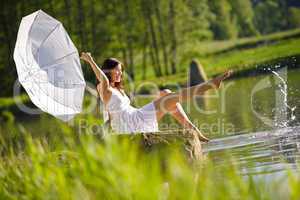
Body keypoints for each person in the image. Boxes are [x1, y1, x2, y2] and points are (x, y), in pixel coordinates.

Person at [80, 52, 232, 142]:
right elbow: (103, 80)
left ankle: (193, 130)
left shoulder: (118, 89)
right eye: (117, 71)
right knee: (168, 98)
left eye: (121, 71)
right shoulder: (103, 88)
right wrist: (90, 60)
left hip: (134, 117)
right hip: (129, 125)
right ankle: (209, 85)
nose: (120, 74)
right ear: (108, 71)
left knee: (165, 93)